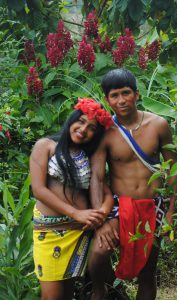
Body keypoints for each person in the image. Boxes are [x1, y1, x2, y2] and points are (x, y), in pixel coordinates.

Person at [88, 69, 177, 300]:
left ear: (137, 94)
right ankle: (102, 290)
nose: (121, 100)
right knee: (99, 254)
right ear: (107, 99)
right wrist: (101, 220)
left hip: (154, 206)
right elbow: (97, 178)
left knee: (147, 272)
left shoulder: (158, 124)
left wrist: (171, 211)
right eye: (114, 95)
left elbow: (173, 170)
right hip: (120, 207)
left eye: (126, 93)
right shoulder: (105, 132)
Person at [30, 97, 114, 300]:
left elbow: (107, 194)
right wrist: (77, 212)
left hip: (79, 232)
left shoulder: (90, 156)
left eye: (92, 128)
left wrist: (101, 214)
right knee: (52, 296)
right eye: (81, 121)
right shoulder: (46, 145)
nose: (83, 129)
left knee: (67, 294)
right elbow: (39, 190)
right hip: (49, 233)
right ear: (72, 119)